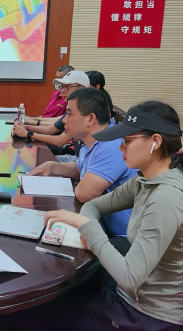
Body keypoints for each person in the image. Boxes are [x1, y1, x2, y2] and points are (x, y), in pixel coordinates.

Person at [14, 101, 183, 331]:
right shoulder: (147, 180)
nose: (120, 148)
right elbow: (93, 205)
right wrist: (88, 225)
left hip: (151, 322)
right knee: (64, 288)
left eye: (127, 141)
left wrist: (88, 229)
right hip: (137, 299)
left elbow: (130, 276)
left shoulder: (167, 199)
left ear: (155, 142)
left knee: (32, 311)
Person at [29, 88, 136, 236]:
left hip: (121, 237)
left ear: (90, 119)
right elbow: (81, 169)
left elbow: (84, 194)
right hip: (98, 222)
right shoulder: (92, 140)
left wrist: (80, 184)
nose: (64, 120)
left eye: (69, 114)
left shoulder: (111, 144)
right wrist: (52, 166)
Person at [13, 70, 90, 148]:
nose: (62, 91)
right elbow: (51, 129)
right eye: (62, 87)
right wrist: (26, 127)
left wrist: (27, 133)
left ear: (82, 88)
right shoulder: (72, 107)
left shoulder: (85, 110)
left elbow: (60, 141)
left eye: (67, 87)